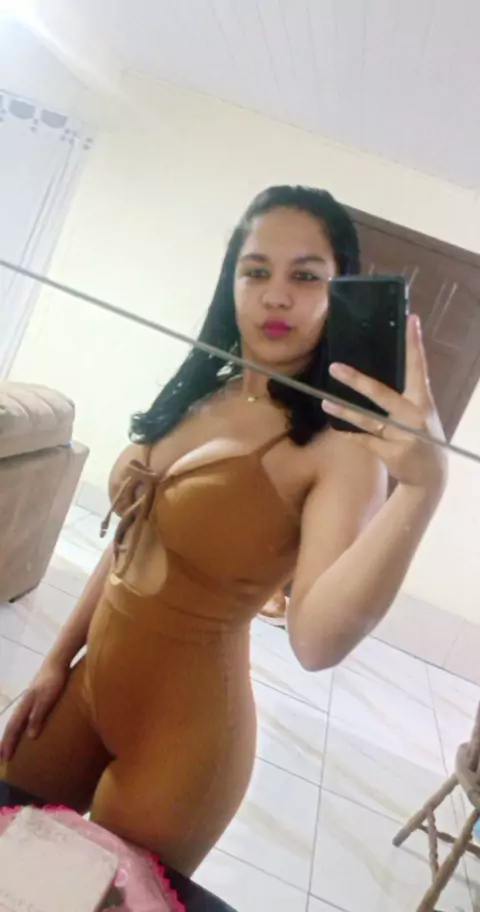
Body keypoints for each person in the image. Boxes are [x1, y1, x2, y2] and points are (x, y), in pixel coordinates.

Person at [0, 185, 447, 876]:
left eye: (306, 276)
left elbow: (316, 641)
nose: (276, 295)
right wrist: (58, 659)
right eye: (256, 270)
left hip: (184, 746)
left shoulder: (342, 448)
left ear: (340, 293)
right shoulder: (204, 388)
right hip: (84, 689)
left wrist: (422, 488)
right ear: (231, 280)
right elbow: (128, 543)